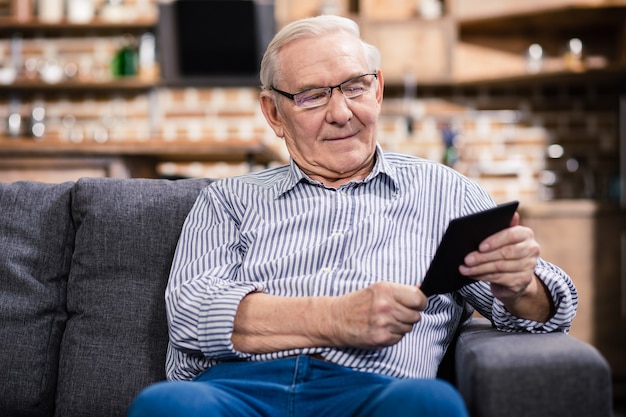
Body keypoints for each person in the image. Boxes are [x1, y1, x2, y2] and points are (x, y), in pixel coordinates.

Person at [128, 15, 577, 417]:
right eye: (311, 96)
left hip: (379, 389)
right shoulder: (228, 200)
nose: (341, 113)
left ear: (377, 89)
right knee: (165, 406)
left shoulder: (446, 191)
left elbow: (547, 312)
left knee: (430, 404)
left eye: (354, 86)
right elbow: (190, 312)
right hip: (237, 391)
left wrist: (521, 286)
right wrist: (336, 318)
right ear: (274, 113)